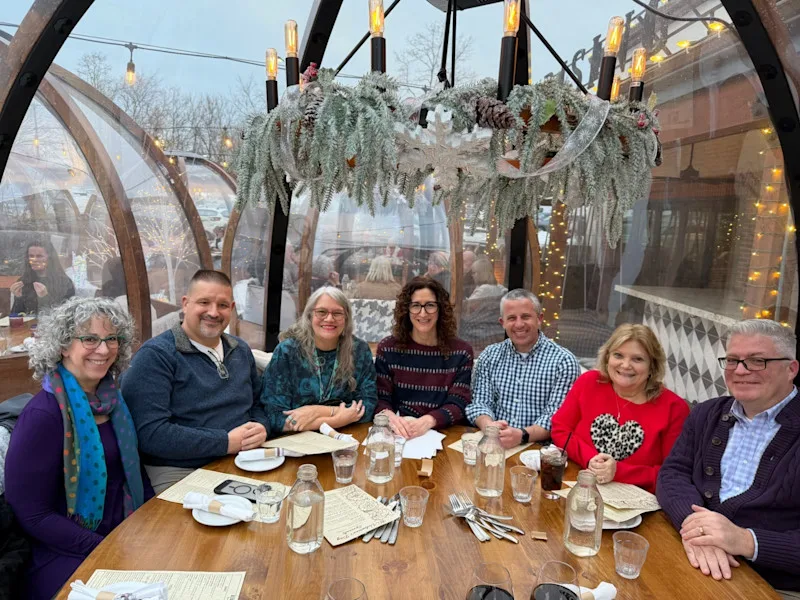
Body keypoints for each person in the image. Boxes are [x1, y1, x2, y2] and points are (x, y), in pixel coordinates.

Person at [4, 297, 152, 599]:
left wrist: (152, 523)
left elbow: (133, 474)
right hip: (62, 551)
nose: (103, 349)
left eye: (112, 338)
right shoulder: (43, 416)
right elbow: (32, 515)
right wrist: (103, 546)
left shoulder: (114, 402)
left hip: (122, 531)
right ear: (63, 346)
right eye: (90, 339)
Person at [657, 319, 800, 596]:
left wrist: (747, 541)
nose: (741, 371)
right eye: (733, 360)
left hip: (773, 584)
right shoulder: (706, 413)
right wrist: (697, 527)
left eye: (757, 361)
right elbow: (673, 473)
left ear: (791, 369)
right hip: (692, 553)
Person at [122, 270, 268, 493]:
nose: (213, 312)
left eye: (222, 305)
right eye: (204, 302)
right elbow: (151, 434)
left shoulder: (240, 350)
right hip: (180, 469)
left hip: (243, 458)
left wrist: (261, 427)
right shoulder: (156, 356)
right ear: (185, 303)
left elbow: (259, 403)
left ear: (232, 307)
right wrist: (225, 442)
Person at [551, 324, 689, 493]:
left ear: (652, 366)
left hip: (635, 503)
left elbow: (672, 474)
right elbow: (560, 429)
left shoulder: (674, 408)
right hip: (577, 483)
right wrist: (590, 459)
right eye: (618, 355)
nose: (625, 365)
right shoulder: (589, 382)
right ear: (607, 357)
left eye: (637, 359)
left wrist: (619, 471)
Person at [467, 289, 580, 448]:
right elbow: (479, 403)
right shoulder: (490, 355)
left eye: (526, 317)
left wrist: (522, 435)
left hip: (537, 450)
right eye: (511, 318)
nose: (519, 324)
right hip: (494, 442)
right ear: (502, 323)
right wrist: (489, 427)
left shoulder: (564, 362)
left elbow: (556, 418)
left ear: (539, 319)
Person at [261, 287, 377, 434]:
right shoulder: (287, 351)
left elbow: (367, 407)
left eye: (337, 313)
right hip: (295, 440)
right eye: (321, 312)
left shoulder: (359, 350)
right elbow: (274, 417)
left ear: (346, 318)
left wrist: (315, 411)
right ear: (309, 316)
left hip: (346, 437)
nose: (329, 319)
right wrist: (338, 418)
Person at [375, 277, 473, 439]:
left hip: (444, 433)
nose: (423, 313)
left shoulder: (461, 352)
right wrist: (389, 417)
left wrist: (428, 421)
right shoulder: (388, 348)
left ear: (441, 309)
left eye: (430, 305)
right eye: (415, 306)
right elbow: (380, 397)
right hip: (399, 432)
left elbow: (459, 403)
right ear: (406, 310)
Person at [10, 240, 75, 314]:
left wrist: (45, 298)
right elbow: (16, 315)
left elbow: (66, 315)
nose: (34, 260)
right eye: (31, 256)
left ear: (49, 258)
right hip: (28, 325)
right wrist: (18, 298)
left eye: (39, 256)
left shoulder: (64, 282)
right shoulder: (23, 281)